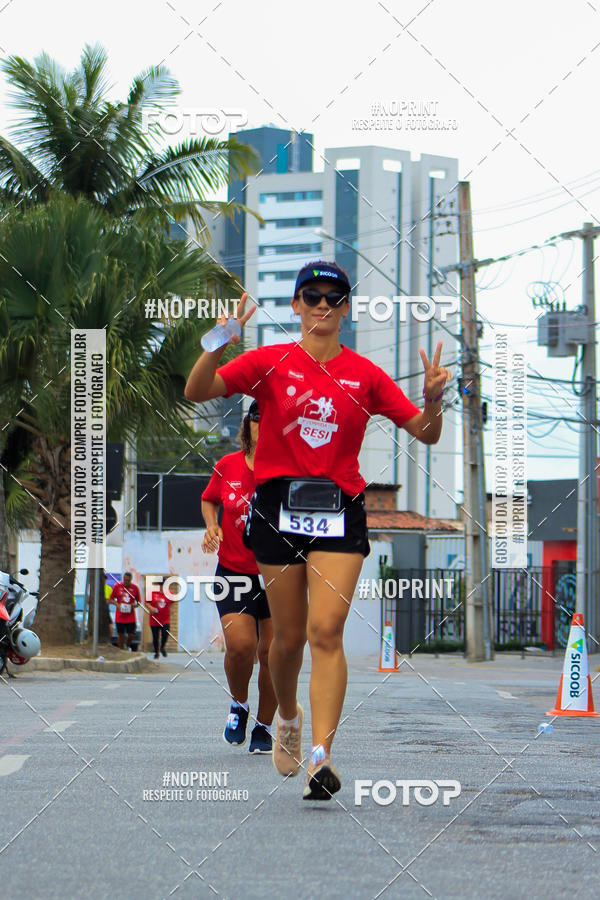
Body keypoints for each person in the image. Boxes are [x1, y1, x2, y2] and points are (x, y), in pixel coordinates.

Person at [185, 261, 450, 800]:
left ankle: (322, 756)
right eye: (312, 295)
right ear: (296, 305)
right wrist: (219, 340)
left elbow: (426, 433)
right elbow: (197, 390)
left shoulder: (366, 375)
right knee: (286, 641)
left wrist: (433, 398)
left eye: (334, 297)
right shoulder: (269, 361)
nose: (323, 304)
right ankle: (286, 715)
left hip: (339, 508)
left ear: (346, 308)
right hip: (277, 507)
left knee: (325, 631)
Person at [201, 400, 277, 754]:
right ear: (248, 424)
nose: (263, 424)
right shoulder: (227, 465)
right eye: (257, 418)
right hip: (233, 570)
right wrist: (211, 525)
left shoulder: (290, 469)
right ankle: (239, 704)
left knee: (273, 654)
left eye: (271, 419)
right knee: (241, 646)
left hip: (279, 573)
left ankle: (264, 726)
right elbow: (209, 499)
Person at [108, 572, 140, 650]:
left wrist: (134, 605)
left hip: (130, 616)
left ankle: (127, 645)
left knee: (131, 634)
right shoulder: (117, 586)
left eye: (128, 580)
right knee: (120, 635)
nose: (126, 582)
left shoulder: (135, 588)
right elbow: (111, 599)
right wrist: (117, 604)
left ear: (131, 580)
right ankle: (121, 649)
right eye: (125, 580)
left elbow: (138, 602)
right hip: (120, 616)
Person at [148, 577, 172, 659]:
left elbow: (172, 602)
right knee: (155, 637)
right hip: (154, 619)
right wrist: (151, 608)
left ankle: (162, 647)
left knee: (166, 633)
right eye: (161, 585)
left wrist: (170, 610)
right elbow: (147, 603)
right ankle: (156, 652)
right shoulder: (151, 592)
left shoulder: (170, 593)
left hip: (165, 619)